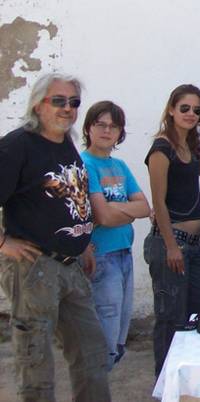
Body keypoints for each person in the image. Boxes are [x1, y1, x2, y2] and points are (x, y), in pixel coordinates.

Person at [0, 73, 110, 401]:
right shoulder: (17, 145)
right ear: (38, 104)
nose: (67, 108)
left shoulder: (65, 143)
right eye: (58, 101)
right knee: (35, 360)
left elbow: (71, 196)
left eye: (73, 102)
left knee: (92, 353)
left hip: (71, 265)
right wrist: (3, 243)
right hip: (34, 267)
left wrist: (83, 243)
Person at [144, 84, 200, 375]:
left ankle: (189, 380)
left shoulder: (190, 145)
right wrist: (171, 246)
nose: (191, 114)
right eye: (184, 108)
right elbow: (158, 202)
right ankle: (165, 384)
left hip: (194, 245)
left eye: (197, 110)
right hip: (171, 243)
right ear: (171, 109)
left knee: (199, 312)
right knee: (170, 318)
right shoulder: (162, 148)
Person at [80, 100, 151, 369]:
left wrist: (114, 207)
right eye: (100, 124)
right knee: (105, 335)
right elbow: (104, 218)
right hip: (101, 257)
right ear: (88, 128)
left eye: (113, 126)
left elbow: (144, 207)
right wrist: (125, 211)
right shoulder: (84, 164)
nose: (107, 131)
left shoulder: (119, 165)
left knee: (119, 333)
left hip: (124, 254)